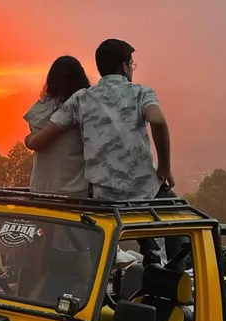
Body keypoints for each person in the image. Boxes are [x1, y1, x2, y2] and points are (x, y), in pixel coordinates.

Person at [25, 39, 173, 201]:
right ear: (124, 67)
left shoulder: (81, 99)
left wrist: (30, 139)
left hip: (105, 196)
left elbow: (42, 138)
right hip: (145, 192)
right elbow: (157, 121)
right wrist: (164, 168)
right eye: (132, 64)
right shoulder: (142, 93)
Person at [23, 56, 90, 197]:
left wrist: (28, 139)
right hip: (73, 191)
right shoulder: (84, 109)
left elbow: (35, 141)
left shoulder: (39, 110)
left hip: (40, 189)